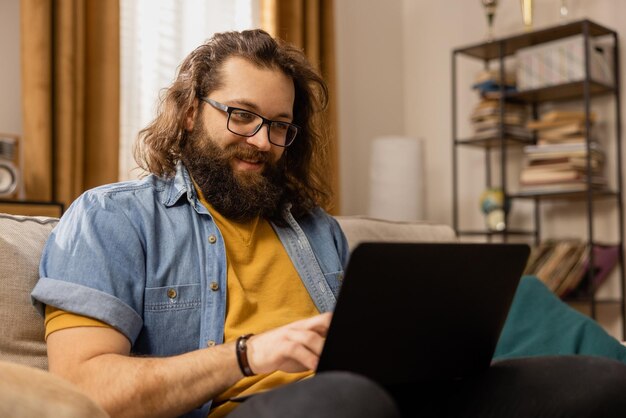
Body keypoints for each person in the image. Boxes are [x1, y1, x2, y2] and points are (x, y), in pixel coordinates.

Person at [31, 29, 626, 418]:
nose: (263, 142)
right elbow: (87, 389)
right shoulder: (109, 218)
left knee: (592, 385)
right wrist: (249, 355)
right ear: (189, 113)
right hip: (263, 408)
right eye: (242, 116)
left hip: (374, 398)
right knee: (347, 399)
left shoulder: (311, 228)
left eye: (280, 125)